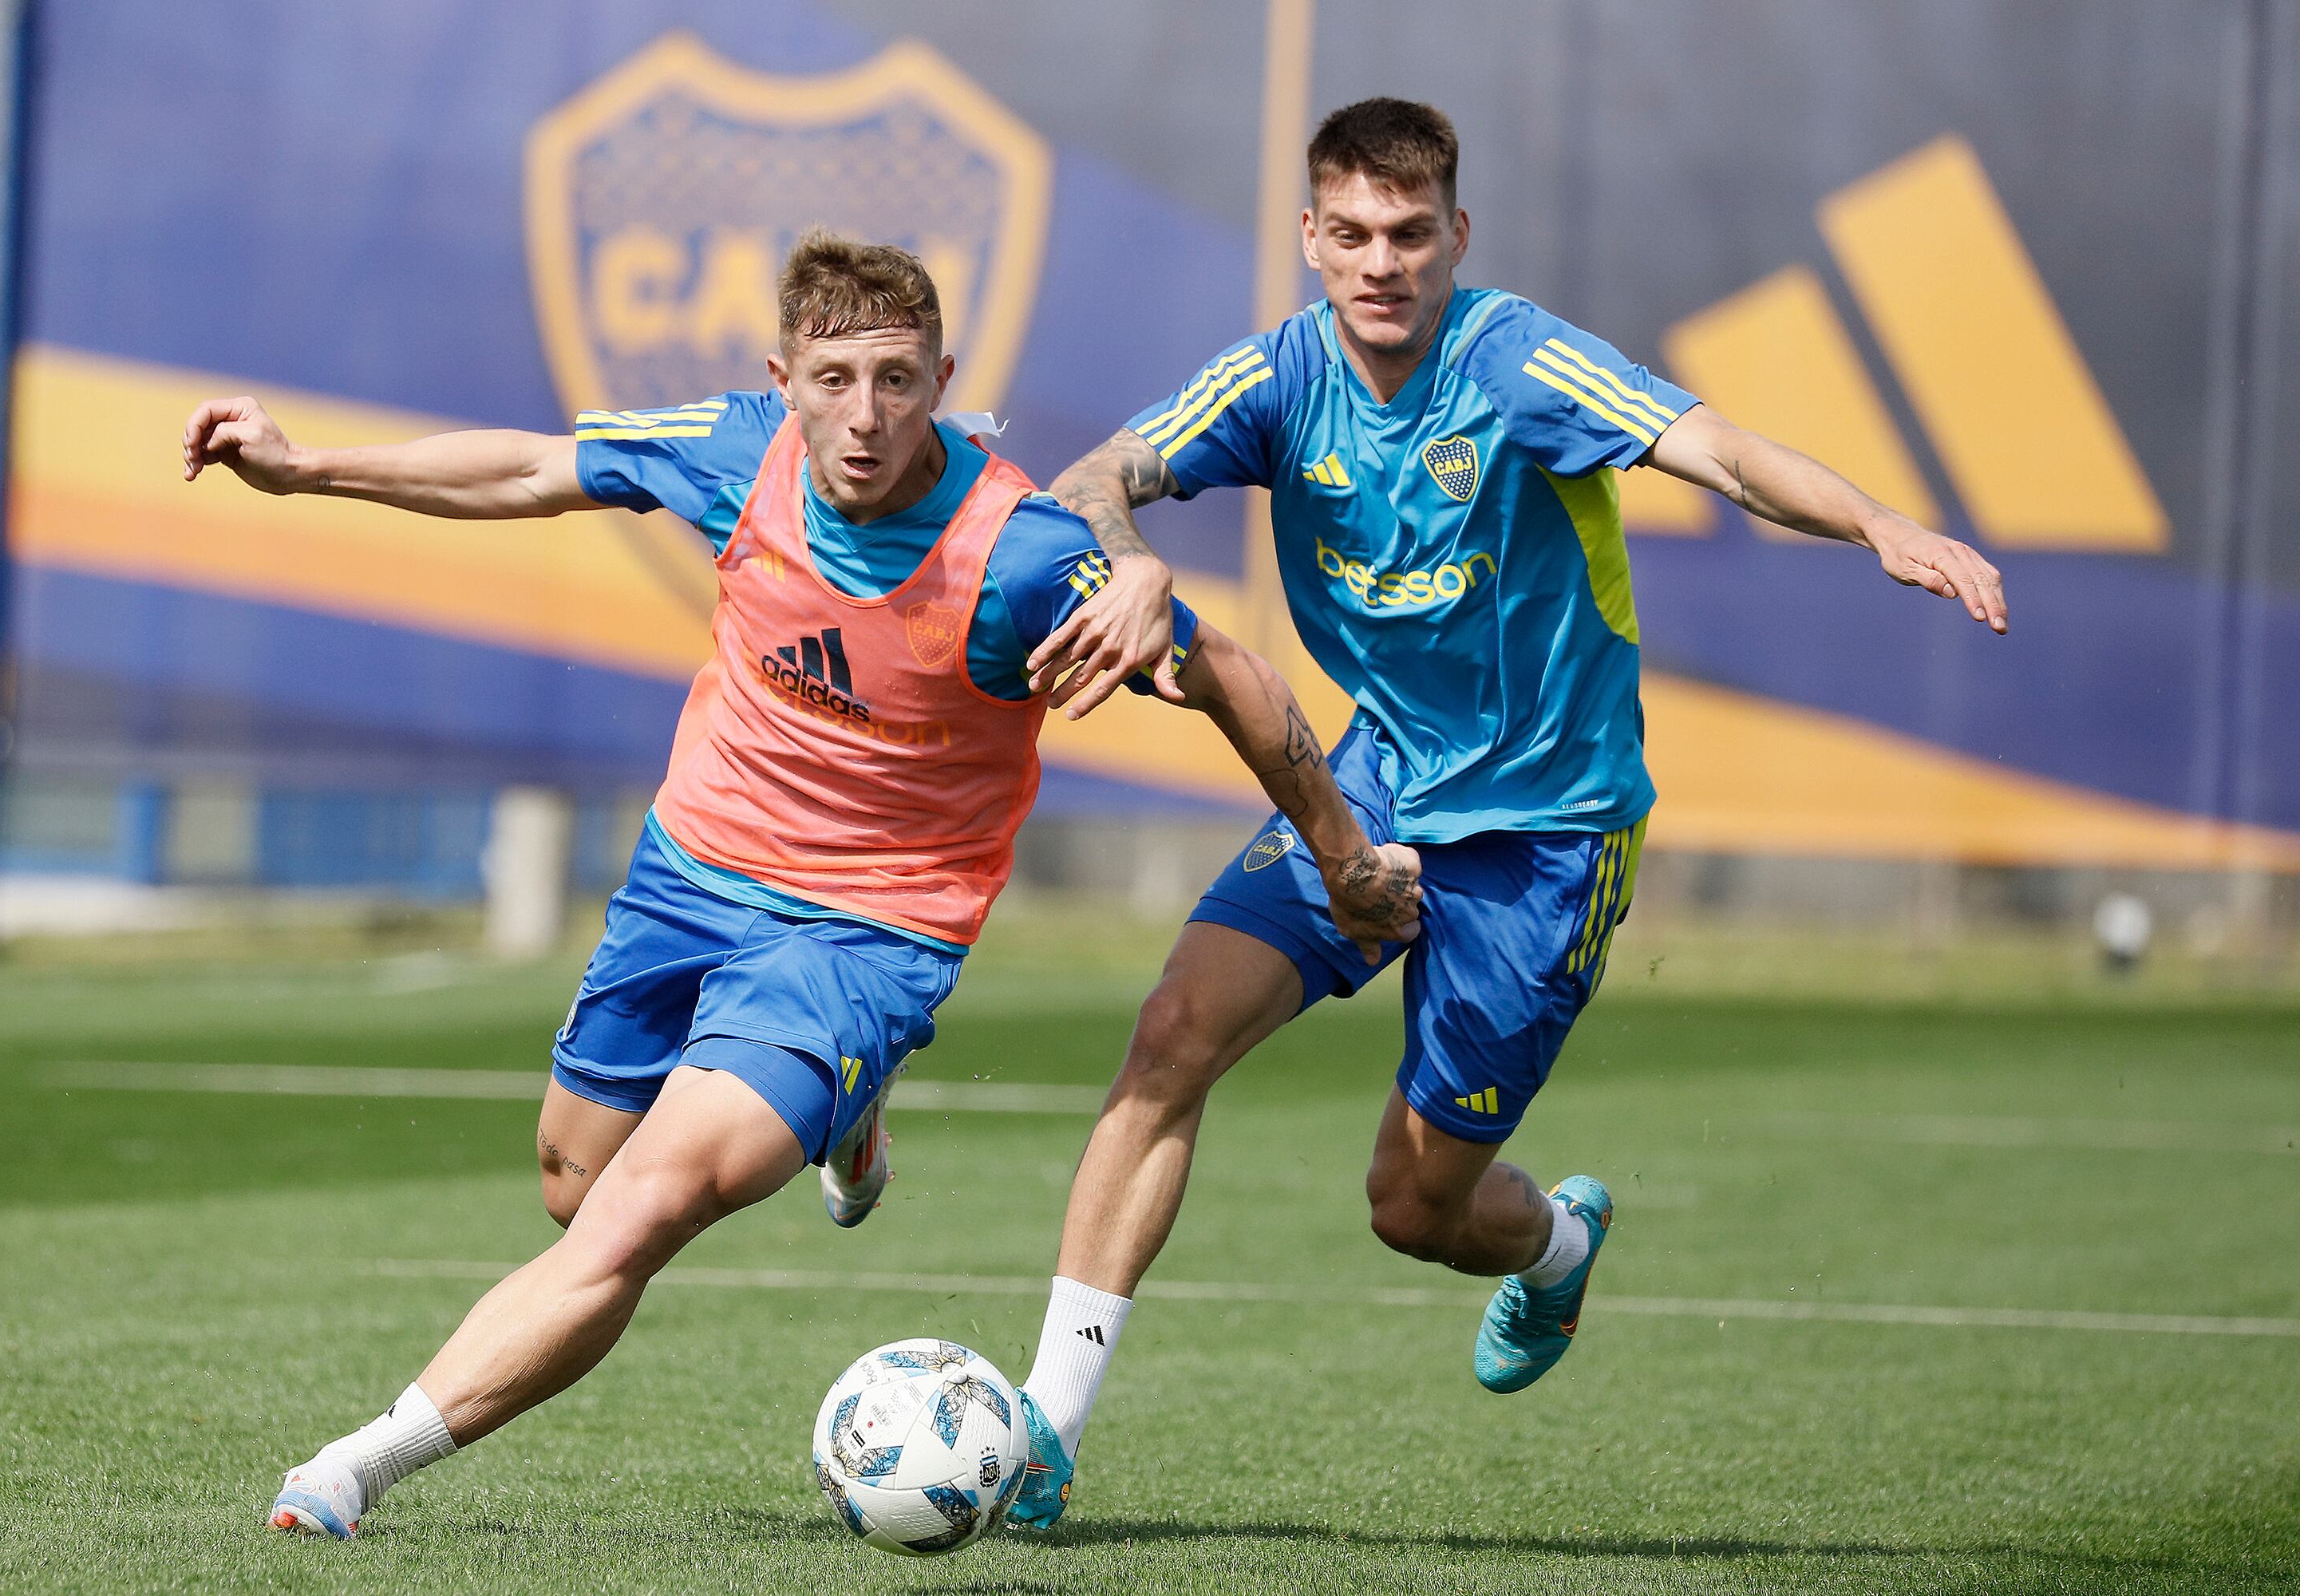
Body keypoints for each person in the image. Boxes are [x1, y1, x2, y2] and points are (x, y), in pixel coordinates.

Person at [180, 230, 1421, 1540]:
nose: (866, 417)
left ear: (943, 375)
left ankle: (354, 1466)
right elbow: (538, 465)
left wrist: (1342, 855)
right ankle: (854, 1118)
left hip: (865, 932)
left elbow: (1225, 671)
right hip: (692, 874)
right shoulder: (735, 455)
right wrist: (306, 468)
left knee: (643, 1210)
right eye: (834, 380)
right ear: (785, 379)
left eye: (897, 380)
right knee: (574, 1181)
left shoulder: (1017, 555)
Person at [1005, 98, 2012, 1528]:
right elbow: (1093, 478)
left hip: (1550, 831)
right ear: (1309, 238)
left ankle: (1554, 1245)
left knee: (1414, 1212)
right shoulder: (1281, 376)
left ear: (1456, 238)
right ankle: (1046, 1430)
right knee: (1172, 1034)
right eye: (1349, 234)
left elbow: (1719, 451)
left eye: (1411, 235)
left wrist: (1879, 526)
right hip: (1373, 783)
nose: (1381, 262)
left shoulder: (1519, 362)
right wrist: (1125, 566)